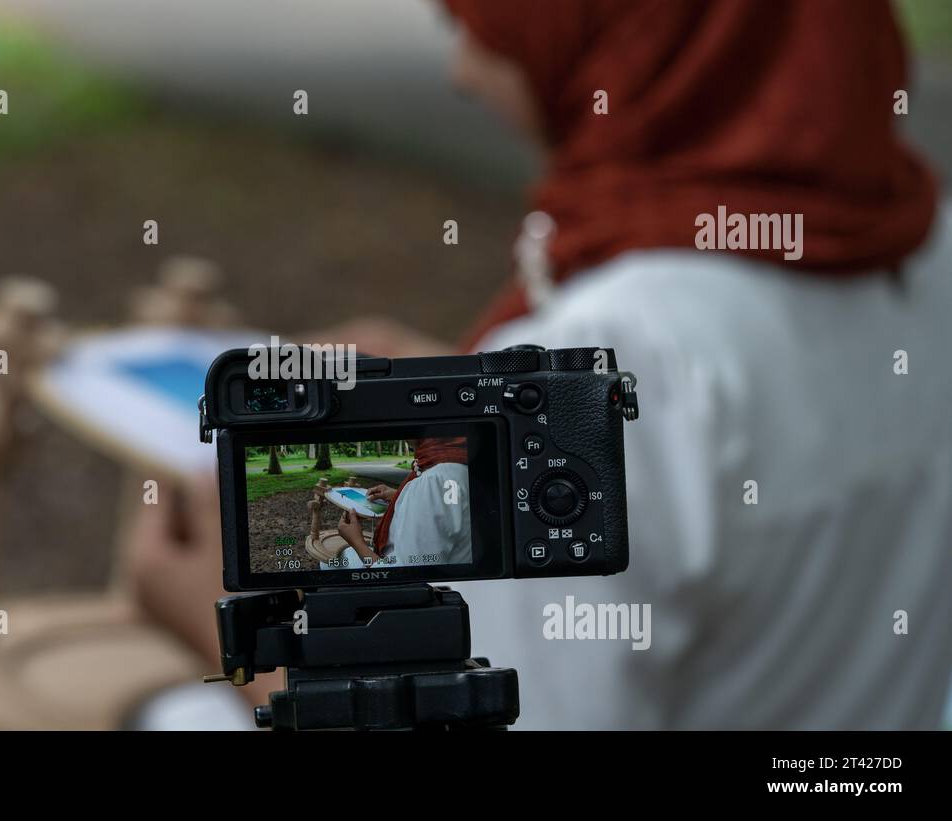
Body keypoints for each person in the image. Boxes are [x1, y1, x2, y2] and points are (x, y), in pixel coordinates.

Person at [128, 0, 952, 729]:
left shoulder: (637, 346)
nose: (460, 72)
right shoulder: (928, 245)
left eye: (482, 26)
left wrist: (227, 628)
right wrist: (466, 387)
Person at [335, 438, 472, 569]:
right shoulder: (457, 461)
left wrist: (357, 543)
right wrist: (400, 496)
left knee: (334, 561)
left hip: (398, 577)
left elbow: (409, 574)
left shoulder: (433, 479)